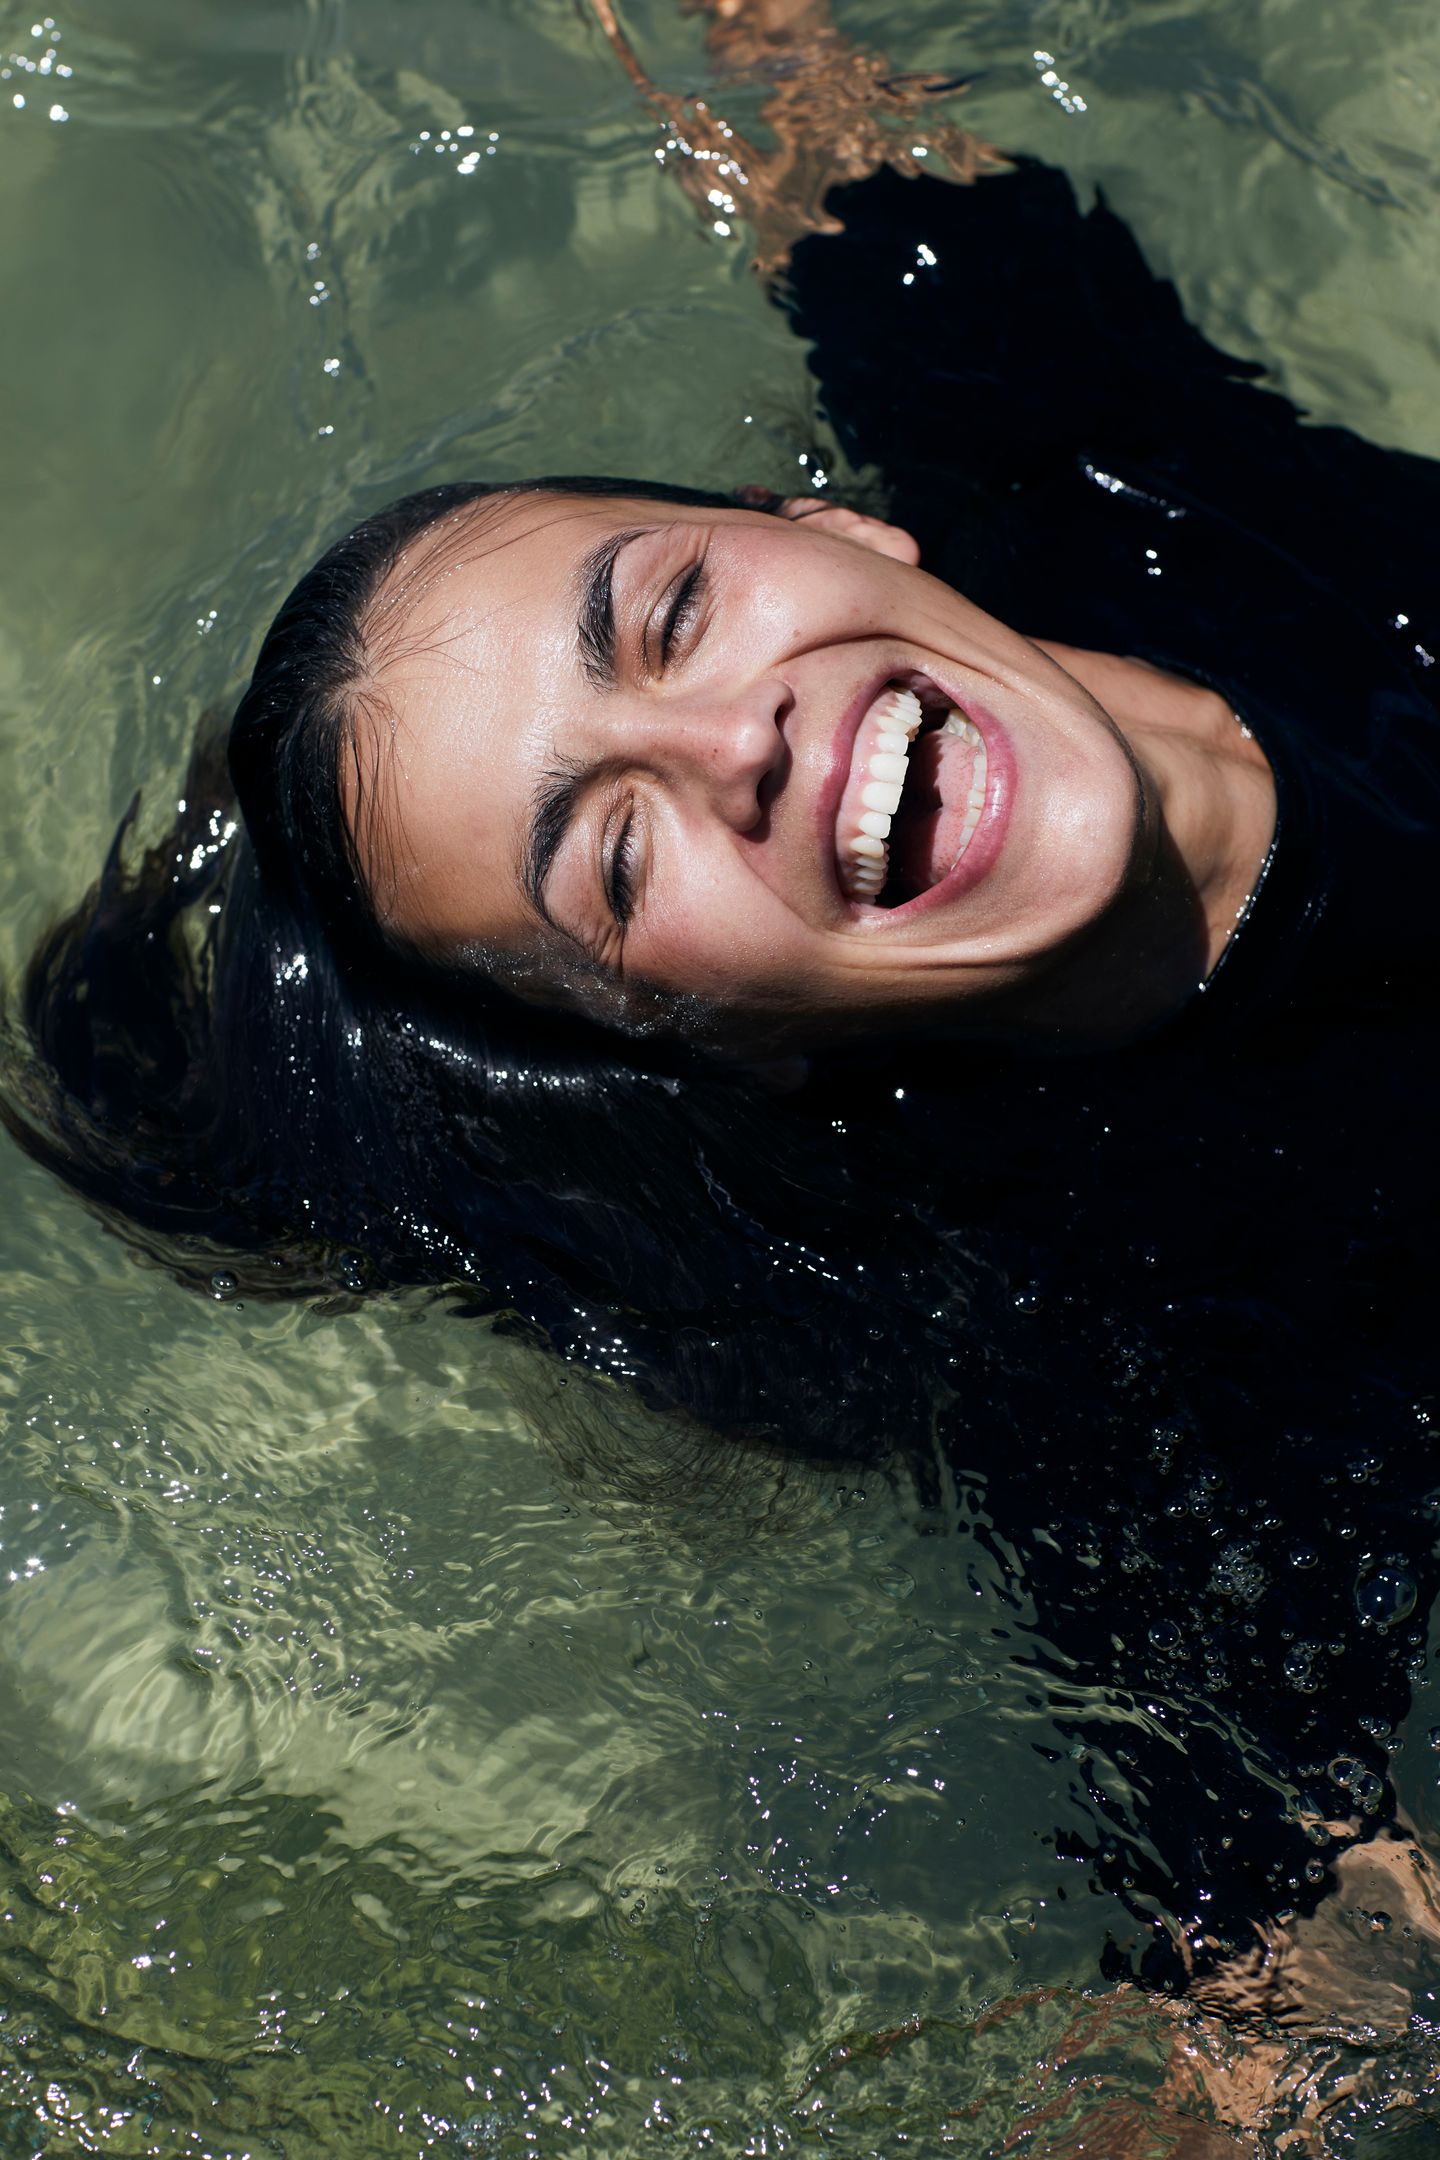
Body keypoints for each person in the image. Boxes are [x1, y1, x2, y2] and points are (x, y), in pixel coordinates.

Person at [3, 144, 1438, 2053]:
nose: (728, 744)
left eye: (671, 612)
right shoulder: (1156, 1387)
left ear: (831, 526)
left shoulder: (1019, 377)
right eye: (613, 859)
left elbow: (789, 85)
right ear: (710, 1042)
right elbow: (1288, 1998)